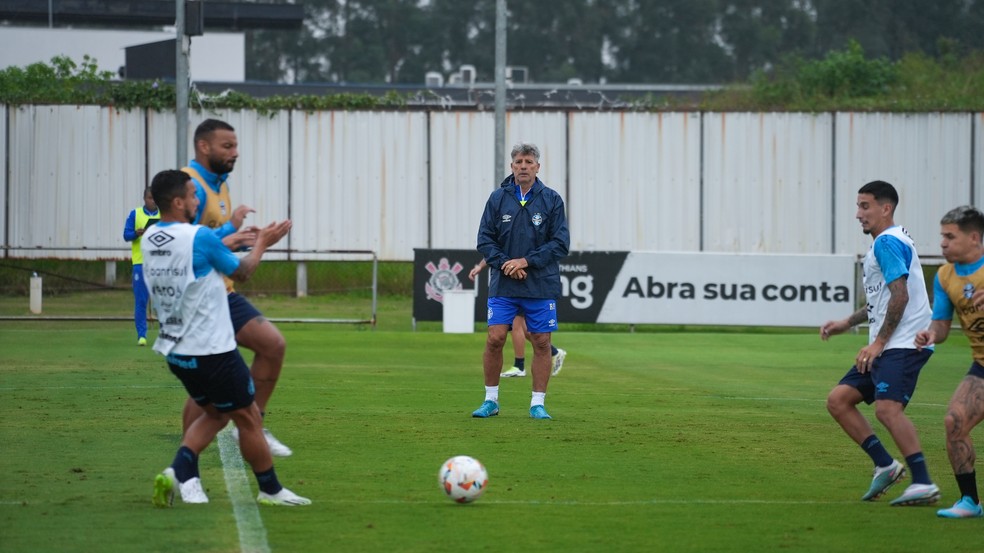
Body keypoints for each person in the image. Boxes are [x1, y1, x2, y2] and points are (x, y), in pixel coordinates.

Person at [143, 169, 309, 507]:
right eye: (192, 196)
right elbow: (242, 272)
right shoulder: (200, 237)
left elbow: (200, 251)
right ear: (178, 202)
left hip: (177, 351)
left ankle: (178, 473)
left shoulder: (149, 238)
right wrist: (262, 243)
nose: (195, 201)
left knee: (216, 415)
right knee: (247, 419)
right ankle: (271, 490)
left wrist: (229, 236)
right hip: (212, 350)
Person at [820, 180, 939, 506]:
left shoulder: (887, 242)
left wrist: (878, 343)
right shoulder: (888, 242)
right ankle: (886, 465)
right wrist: (848, 322)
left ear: (885, 208)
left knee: (887, 409)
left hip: (903, 343)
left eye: (865, 206)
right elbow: (883, 299)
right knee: (839, 400)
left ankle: (923, 482)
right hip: (890, 343)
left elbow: (900, 296)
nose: (859, 214)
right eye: (858, 206)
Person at [181, 118, 292, 457]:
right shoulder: (191, 186)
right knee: (209, 377)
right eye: (227, 146)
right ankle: (188, 454)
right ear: (204, 146)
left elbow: (214, 244)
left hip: (221, 290)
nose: (235, 152)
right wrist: (240, 241)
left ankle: (252, 424)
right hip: (198, 296)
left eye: (236, 146)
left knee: (272, 346)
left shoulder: (220, 185)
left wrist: (239, 237)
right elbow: (182, 244)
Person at [471, 143, 569, 420]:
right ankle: (491, 401)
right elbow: (484, 240)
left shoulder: (551, 199)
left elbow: (560, 243)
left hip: (540, 283)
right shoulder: (497, 198)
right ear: (512, 166)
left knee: (541, 342)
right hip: (504, 283)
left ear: (538, 167)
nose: (523, 166)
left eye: (528, 161)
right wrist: (506, 264)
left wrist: (526, 261)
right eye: (518, 162)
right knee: (495, 338)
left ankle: (537, 403)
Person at [914, 206, 984, 518]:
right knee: (954, 422)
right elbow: (941, 325)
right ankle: (970, 501)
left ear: (973, 238)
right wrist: (929, 334)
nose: (942, 243)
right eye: (942, 236)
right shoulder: (945, 275)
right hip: (981, 366)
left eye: (949, 236)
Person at [468, 258, 567, 377]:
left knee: (517, 324)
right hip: (514, 284)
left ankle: (519, 365)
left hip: (525, 283)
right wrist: (480, 266)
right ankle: (554, 352)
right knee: (523, 329)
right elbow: (495, 250)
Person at [122, 187, 159, 346]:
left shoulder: (164, 215)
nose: (153, 201)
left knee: (163, 301)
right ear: (145, 199)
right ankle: (142, 335)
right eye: (150, 198)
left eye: (155, 198)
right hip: (140, 263)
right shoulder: (135, 214)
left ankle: (166, 335)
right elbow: (126, 235)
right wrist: (136, 233)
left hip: (160, 265)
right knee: (141, 301)